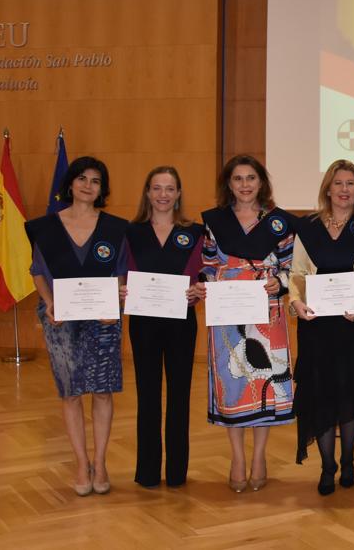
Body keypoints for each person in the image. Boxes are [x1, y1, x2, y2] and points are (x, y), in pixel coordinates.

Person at [25, 156, 129, 496]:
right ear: (70, 183)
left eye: (95, 181)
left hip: (104, 319)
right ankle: (80, 463)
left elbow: (122, 272)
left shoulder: (116, 228)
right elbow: (38, 270)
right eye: (82, 178)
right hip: (60, 318)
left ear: (102, 189)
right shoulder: (44, 227)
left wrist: (116, 303)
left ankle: (100, 462)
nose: (88, 185)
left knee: (102, 390)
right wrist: (49, 301)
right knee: (70, 393)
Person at [200, 155, 296, 493]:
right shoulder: (214, 221)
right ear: (229, 184)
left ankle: (259, 457)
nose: (244, 185)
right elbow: (208, 264)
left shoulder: (280, 223)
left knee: (264, 382)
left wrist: (280, 283)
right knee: (235, 384)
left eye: (251, 178)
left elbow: (291, 267)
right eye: (238, 179)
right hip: (227, 315)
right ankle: (237, 457)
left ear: (261, 182)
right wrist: (203, 283)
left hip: (267, 314)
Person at [288, 160, 354, 495]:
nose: (344, 190)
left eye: (351, 184)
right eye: (338, 183)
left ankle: (349, 461)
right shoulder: (308, 227)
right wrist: (296, 303)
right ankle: (327, 466)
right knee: (321, 393)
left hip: (353, 326)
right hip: (316, 327)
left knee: (350, 391)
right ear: (327, 188)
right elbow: (297, 274)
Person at [124, 166, 206, 489]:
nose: (162, 195)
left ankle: (176, 473)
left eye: (169, 188)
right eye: (156, 188)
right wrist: (120, 289)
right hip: (143, 323)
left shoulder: (196, 232)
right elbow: (121, 273)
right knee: (147, 396)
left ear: (178, 194)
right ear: (147, 192)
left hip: (181, 322)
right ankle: (147, 472)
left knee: (179, 396)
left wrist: (199, 290)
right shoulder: (130, 232)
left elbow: (204, 275)